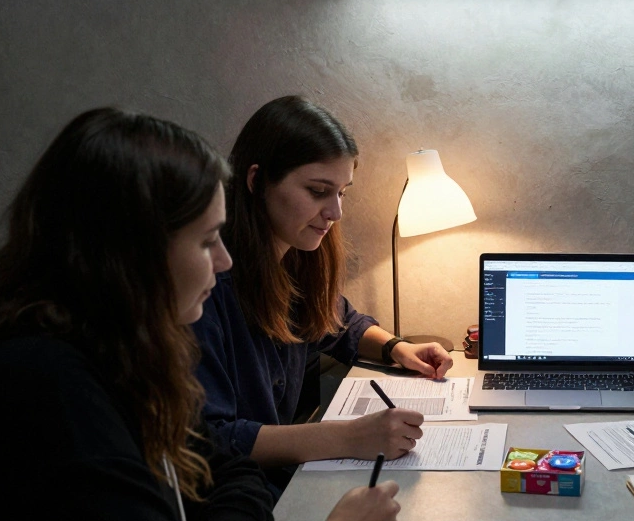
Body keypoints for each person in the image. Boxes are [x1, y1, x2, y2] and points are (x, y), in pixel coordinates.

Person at [0, 109, 401, 521]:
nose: (226, 260)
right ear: (131, 250)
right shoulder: (44, 387)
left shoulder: (119, 353)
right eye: (208, 239)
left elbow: (222, 466)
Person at [192, 96, 453, 492]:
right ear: (256, 180)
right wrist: (348, 438)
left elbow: (339, 323)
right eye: (318, 191)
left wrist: (397, 348)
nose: (336, 212)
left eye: (342, 192)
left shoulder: (294, 259)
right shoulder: (206, 290)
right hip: (231, 500)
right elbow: (213, 438)